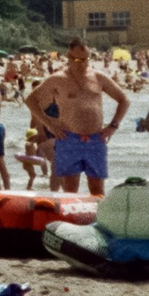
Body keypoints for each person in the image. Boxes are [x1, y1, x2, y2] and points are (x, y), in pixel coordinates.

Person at [24, 42, 130, 198]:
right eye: (76, 60)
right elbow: (31, 100)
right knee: (70, 190)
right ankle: (71, 213)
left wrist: (113, 126)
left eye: (84, 60)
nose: (80, 64)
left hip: (96, 139)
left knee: (97, 189)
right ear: (69, 57)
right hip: (69, 139)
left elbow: (124, 100)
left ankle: (97, 212)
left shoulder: (98, 77)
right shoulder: (57, 79)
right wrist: (50, 125)